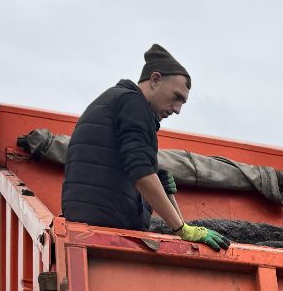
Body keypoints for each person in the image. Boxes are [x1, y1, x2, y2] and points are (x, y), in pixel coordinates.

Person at [61, 43, 231, 251]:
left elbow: (121, 165)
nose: (177, 109)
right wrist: (182, 229)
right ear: (155, 79)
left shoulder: (117, 100)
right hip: (106, 234)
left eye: (183, 103)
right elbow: (140, 173)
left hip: (89, 228)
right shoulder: (133, 103)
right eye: (177, 97)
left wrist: (156, 180)